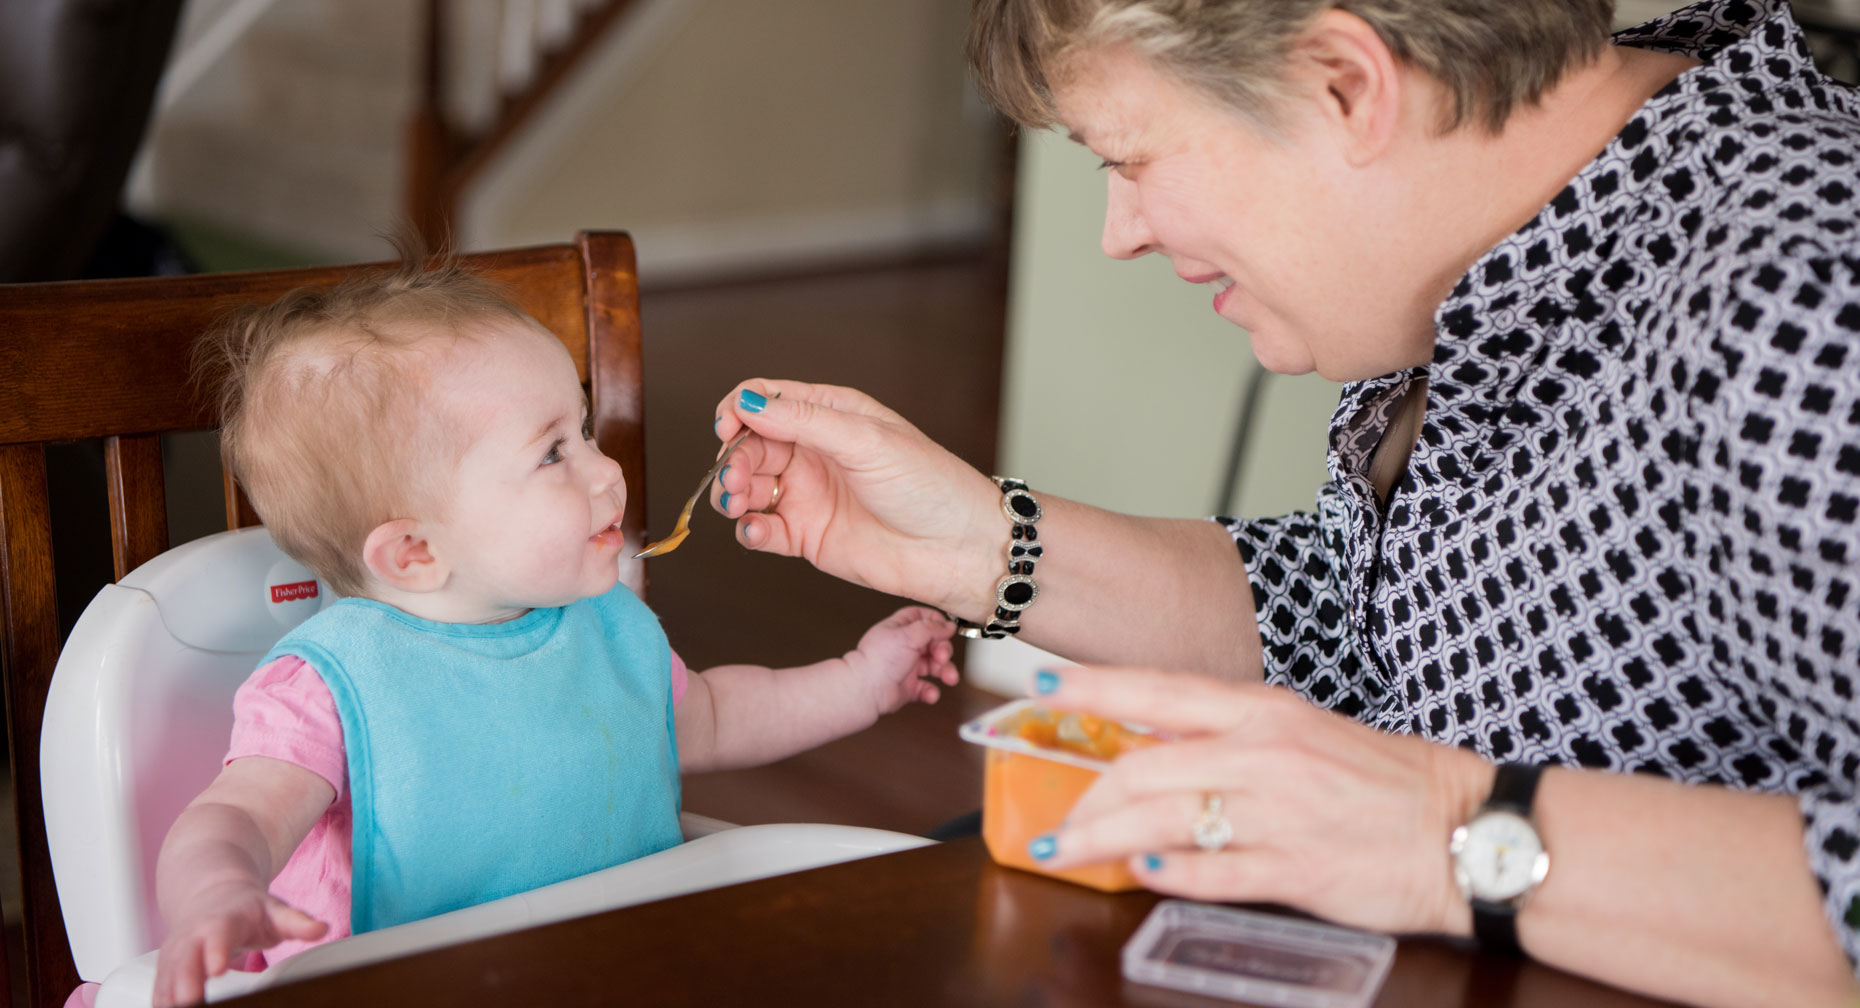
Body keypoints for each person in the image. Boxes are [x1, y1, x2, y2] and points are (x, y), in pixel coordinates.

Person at [698, 1, 1860, 1005]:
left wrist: (1436, 830)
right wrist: (982, 546)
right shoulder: (1480, 241)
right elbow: (1363, 631)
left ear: (1347, 84)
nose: (1118, 234)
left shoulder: (1803, 311)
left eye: (1132, 159)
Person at [145, 250, 960, 1008]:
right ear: (416, 551)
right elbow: (237, 819)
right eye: (551, 455)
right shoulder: (335, 685)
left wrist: (861, 678)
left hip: (607, 963)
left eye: (585, 431)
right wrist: (219, 893)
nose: (606, 471)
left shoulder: (603, 624)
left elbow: (712, 716)